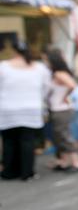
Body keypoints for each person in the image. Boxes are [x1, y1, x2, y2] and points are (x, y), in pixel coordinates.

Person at [0, 40, 50, 181]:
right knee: (27, 141)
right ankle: (27, 172)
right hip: (31, 108)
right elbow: (46, 87)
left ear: (14, 51)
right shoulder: (39, 68)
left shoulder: (4, 67)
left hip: (7, 109)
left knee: (9, 141)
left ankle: (9, 171)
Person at [46, 49, 78, 172]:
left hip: (60, 109)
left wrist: (63, 97)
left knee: (64, 136)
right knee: (60, 136)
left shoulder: (58, 74)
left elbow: (72, 85)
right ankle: (64, 162)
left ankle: (76, 162)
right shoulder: (60, 73)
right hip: (60, 109)